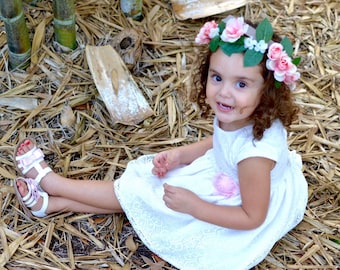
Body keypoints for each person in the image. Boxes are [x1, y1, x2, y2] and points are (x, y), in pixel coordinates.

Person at [13, 16, 308, 270]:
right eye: (217, 77)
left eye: (241, 84)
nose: (224, 93)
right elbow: (222, 144)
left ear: (267, 90)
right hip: (230, 178)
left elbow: (252, 216)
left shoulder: (255, 157)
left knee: (143, 192)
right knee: (143, 195)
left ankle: (53, 183)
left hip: (238, 207)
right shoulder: (242, 114)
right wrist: (182, 155)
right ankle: (51, 204)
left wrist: (195, 207)